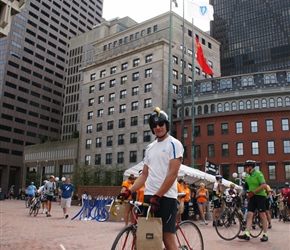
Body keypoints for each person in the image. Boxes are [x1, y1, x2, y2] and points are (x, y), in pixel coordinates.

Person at [117, 107, 184, 250]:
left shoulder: (174, 144)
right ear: (152, 128)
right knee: (147, 238)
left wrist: (158, 196)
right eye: (154, 125)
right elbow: (144, 175)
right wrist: (129, 191)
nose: (158, 127)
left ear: (166, 124)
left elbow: (173, 174)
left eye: (161, 124)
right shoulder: (149, 148)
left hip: (166, 197)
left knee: (167, 240)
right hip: (149, 197)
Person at [238, 160, 268, 242]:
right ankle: (247, 234)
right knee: (249, 214)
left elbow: (264, 185)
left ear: (250, 167)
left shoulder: (258, 174)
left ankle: (265, 234)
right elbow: (245, 188)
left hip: (260, 196)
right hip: (252, 197)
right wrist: (238, 196)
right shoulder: (247, 176)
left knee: (262, 215)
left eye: (246, 167)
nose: (245, 169)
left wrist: (254, 192)